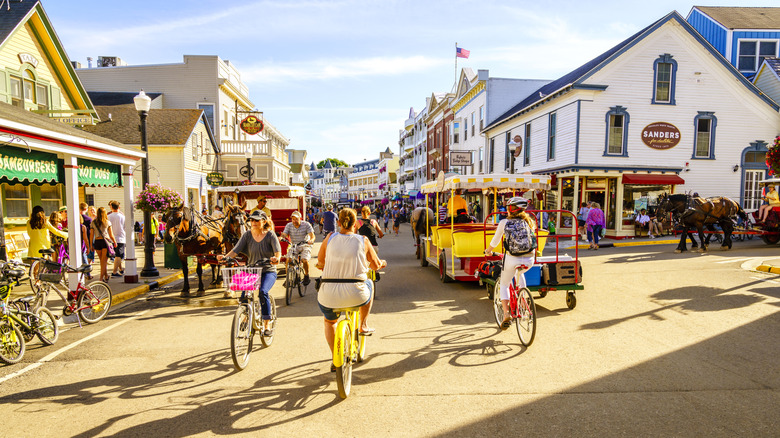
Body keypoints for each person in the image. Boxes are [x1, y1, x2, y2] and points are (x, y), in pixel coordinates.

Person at [315, 208, 387, 372]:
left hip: (328, 295)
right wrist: (382, 263)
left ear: (338, 223)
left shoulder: (329, 238)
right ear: (355, 224)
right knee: (369, 283)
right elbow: (375, 266)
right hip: (356, 294)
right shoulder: (363, 241)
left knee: (329, 321)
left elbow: (320, 262)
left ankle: (335, 357)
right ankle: (362, 324)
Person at [220, 210, 281, 336]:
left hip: (268, 270)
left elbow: (277, 252)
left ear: (264, 221)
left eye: (256, 220)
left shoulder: (270, 235)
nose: (253, 222)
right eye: (252, 220)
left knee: (263, 292)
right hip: (252, 269)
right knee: (243, 296)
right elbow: (235, 250)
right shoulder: (247, 235)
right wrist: (225, 258)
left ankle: (266, 324)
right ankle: (245, 316)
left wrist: (276, 259)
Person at [483, 197, 536, 330]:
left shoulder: (504, 222)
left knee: (505, 284)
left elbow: (495, 241)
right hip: (530, 258)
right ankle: (523, 300)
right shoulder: (529, 221)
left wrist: (488, 251)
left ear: (510, 209)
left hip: (513, 258)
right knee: (520, 272)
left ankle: (506, 314)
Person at [281, 211, 315, 285]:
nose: (294, 221)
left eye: (296, 219)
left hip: (305, 245)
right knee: (288, 259)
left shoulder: (306, 225)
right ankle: (288, 278)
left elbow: (312, 236)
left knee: (304, 260)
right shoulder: (289, 225)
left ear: (300, 218)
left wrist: (311, 240)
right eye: (293, 219)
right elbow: (284, 233)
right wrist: (282, 237)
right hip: (294, 245)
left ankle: (306, 275)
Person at [91, 207, 118, 282]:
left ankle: (106, 276)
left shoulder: (93, 222)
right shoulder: (107, 222)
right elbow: (111, 234)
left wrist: (91, 245)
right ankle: (101, 278)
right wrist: (114, 242)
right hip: (105, 242)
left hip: (97, 241)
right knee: (104, 261)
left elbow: (91, 235)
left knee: (102, 261)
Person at [107, 200, 126, 278]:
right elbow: (125, 227)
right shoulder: (122, 217)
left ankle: (120, 269)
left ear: (111, 207)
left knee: (117, 255)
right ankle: (114, 272)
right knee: (119, 255)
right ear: (119, 207)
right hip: (120, 238)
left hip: (111, 238)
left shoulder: (108, 217)